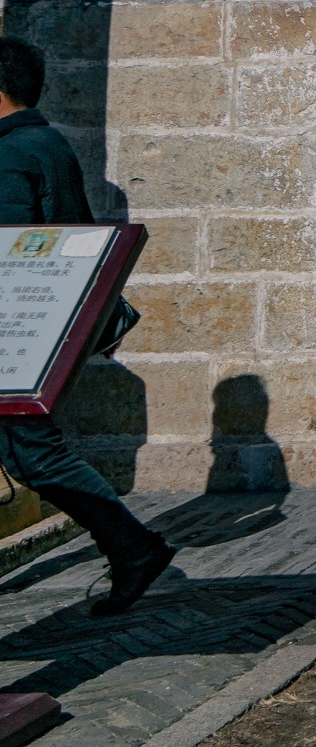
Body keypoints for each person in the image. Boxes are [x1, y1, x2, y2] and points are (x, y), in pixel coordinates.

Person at [0, 36, 175, 615]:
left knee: (38, 453)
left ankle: (133, 549)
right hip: (31, 337)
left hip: (15, 339)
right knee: (32, 455)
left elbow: (9, 254)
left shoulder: (11, 155)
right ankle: (132, 549)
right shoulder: (42, 142)